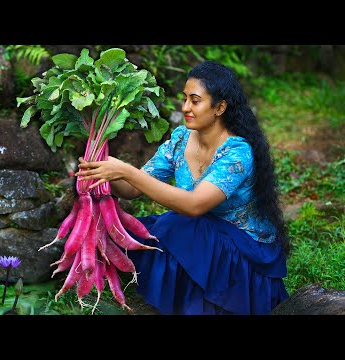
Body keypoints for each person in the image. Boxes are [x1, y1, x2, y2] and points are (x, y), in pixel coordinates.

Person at [76, 60, 289, 315]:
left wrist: (126, 170)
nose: (186, 107)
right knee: (145, 234)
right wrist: (103, 172)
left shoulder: (237, 152)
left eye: (195, 100)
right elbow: (132, 189)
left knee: (175, 225)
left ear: (220, 107)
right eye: (185, 98)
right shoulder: (181, 139)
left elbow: (194, 205)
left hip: (244, 253)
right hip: (202, 234)